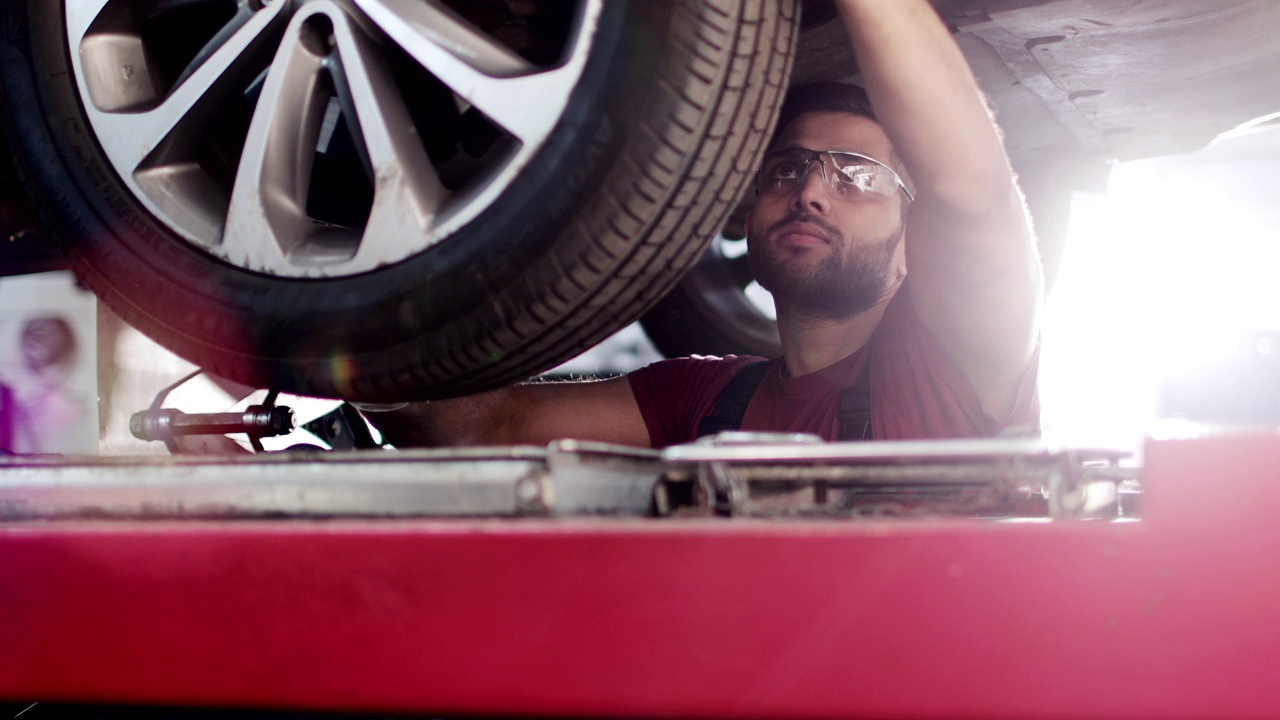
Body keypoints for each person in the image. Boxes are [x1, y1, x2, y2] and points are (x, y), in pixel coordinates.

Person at [367, 0, 1043, 450]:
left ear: (911, 236)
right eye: (786, 169)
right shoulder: (710, 399)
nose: (809, 190)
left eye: (855, 175)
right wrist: (325, 327)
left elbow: (973, 194)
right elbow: (485, 425)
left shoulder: (954, 363)